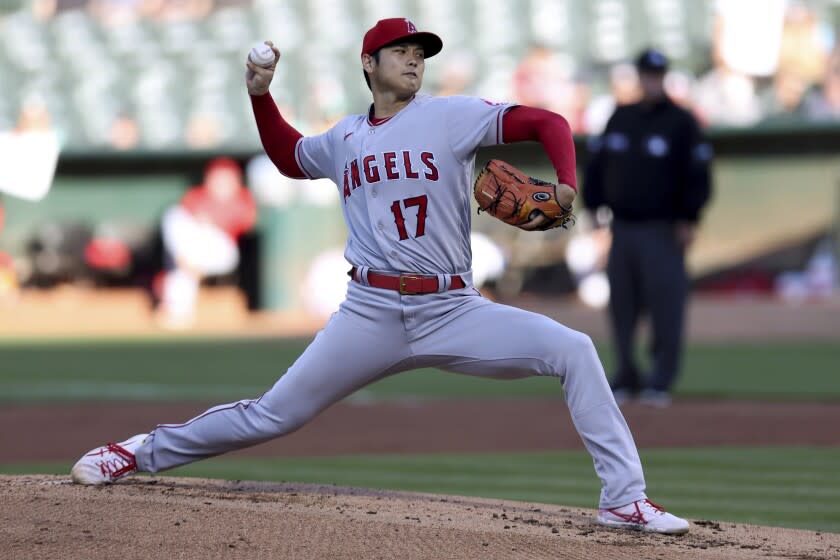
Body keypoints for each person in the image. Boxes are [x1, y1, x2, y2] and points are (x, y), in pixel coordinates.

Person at [70, 19, 690, 534]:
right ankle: (135, 452)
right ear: (369, 63)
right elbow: (289, 157)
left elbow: (549, 124)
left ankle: (623, 500)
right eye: (402, 51)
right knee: (272, 415)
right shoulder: (344, 137)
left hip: (454, 309)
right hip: (368, 312)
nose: (415, 60)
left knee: (574, 350)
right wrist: (260, 95)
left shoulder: (454, 116)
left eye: (421, 53)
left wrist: (565, 183)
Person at [582, 48, 713, 408]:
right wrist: (593, 208)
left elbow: (699, 175)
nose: (650, 80)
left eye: (656, 75)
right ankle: (626, 373)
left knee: (665, 305)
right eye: (645, 74)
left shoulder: (682, 122)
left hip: (663, 228)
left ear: (663, 77)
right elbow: (596, 166)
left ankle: (661, 379)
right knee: (622, 305)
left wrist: (690, 217)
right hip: (622, 227)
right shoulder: (620, 117)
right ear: (638, 77)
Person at [156, 157, 257, 328]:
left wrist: (212, 221)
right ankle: (178, 313)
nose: (221, 182)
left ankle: (177, 307)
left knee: (189, 259)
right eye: (217, 177)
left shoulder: (243, 198)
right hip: (192, 248)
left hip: (222, 251)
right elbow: (183, 222)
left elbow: (246, 223)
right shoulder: (197, 194)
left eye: (225, 177)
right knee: (175, 219)